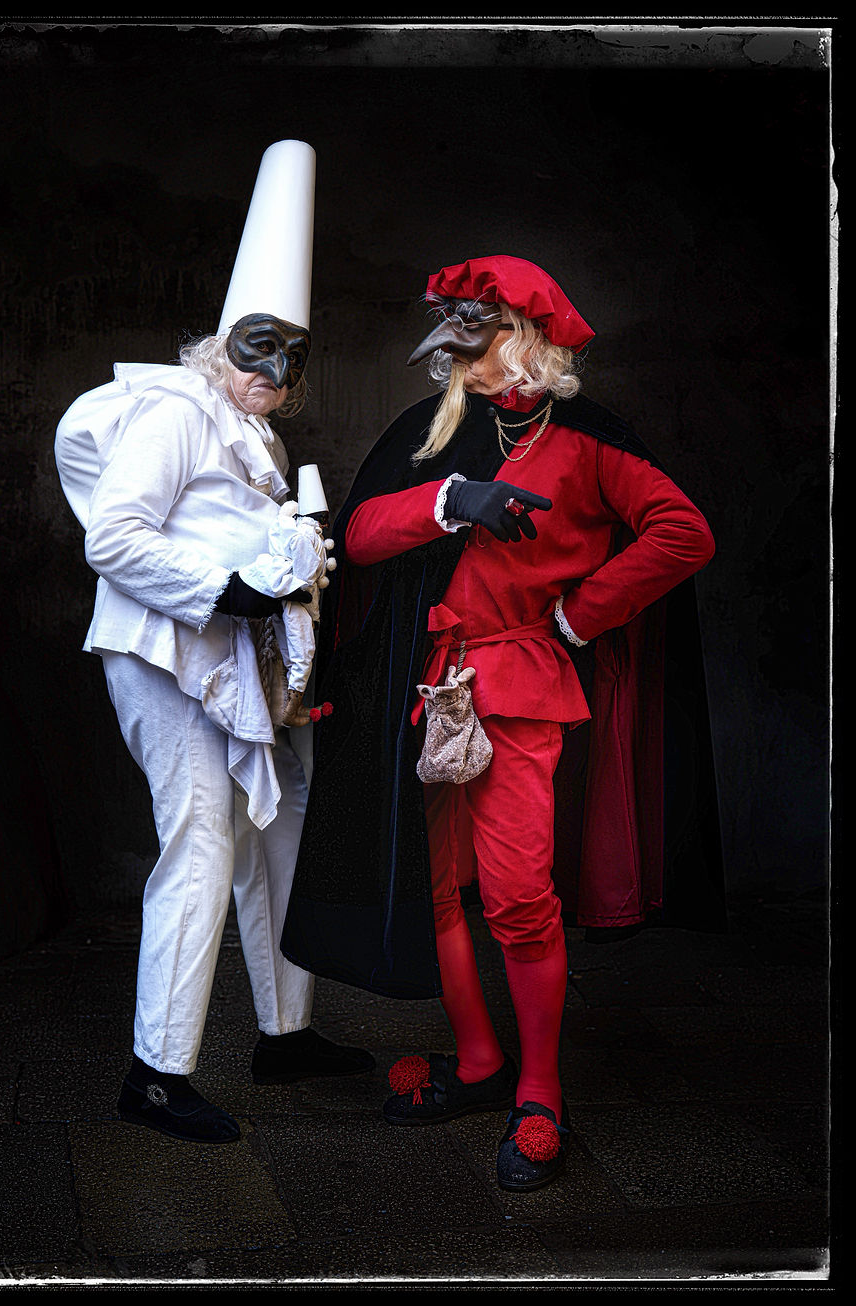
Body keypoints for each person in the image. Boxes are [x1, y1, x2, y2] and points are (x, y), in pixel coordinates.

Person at [281, 254, 721, 1191]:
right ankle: (480, 1060)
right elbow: (359, 536)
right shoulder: (440, 429)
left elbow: (684, 533)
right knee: (437, 887)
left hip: (520, 683)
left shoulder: (593, 445)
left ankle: (541, 1091)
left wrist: (578, 618)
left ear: (527, 340)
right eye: (452, 349)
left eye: (473, 347)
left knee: (518, 897)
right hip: (426, 683)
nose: (457, 365)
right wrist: (449, 500)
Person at [54, 140, 373, 1146]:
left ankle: (286, 1033)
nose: (274, 371)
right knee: (198, 842)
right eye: (257, 347)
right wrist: (222, 591)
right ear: (217, 345)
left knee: (277, 834)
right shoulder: (176, 411)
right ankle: (155, 1075)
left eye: (291, 357)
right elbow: (114, 538)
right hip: (163, 653)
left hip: (236, 664)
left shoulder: (260, 436)